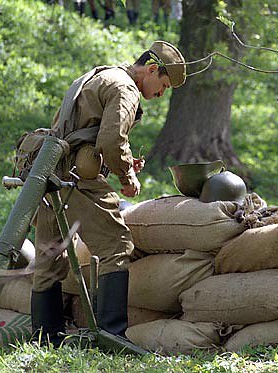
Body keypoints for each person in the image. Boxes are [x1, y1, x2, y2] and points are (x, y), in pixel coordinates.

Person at [31, 41, 186, 345]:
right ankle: (111, 336)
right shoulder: (126, 88)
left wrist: (120, 160)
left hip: (50, 174)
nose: (160, 93)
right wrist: (127, 177)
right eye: (163, 85)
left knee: (49, 255)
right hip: (76, 179)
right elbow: (112, 140)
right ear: (152, 69)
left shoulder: (100, 75)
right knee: (117, 244)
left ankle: (45, 337)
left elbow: (88, 131)